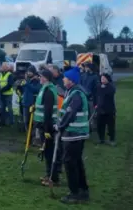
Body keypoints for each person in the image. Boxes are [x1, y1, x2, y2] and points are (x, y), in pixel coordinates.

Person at [55, 67, 90, 204]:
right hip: (75, 134)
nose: (63, 79)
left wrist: (60, 126)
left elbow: (70, 113)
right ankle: (83, 189)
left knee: (70, 163)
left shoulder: (76, 94)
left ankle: (74, 193)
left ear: (71, 80)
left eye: (65, 77)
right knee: (77, 162)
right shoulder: (72, 92)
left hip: (74, 134)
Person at [33, 69, 60, 186]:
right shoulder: (44, 88)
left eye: (41, 76)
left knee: (49, 152)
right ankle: (48, 174)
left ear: (46, 78)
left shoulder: (48, 90)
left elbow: (48, 111)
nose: (39, 78)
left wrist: (47, 129)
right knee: (47, 151)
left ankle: (52, 177)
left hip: (47, 126)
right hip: (43, 125)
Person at [96, 73, 116, 146]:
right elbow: (97, 96)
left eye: (104, 78)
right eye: (101, 78)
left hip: (109, 109)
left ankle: (112, 139)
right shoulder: (98, 86)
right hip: (100, 109)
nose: (102, 79)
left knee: (111, 125)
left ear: (108, 79)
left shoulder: (111, 87)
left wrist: (103, 88)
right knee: (100, 125)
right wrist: (96, 104)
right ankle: (101, 139)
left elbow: (110, 93)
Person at [22, 66, 41, 132]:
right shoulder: (26, 80)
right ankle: (28, 137)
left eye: (30, 72)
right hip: (25, 103)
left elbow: (36, 90)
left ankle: (32, 137)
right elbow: (24, 90)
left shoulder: (37, 81)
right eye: (28, 71)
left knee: (32, 122)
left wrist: (27, 84)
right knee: (26, 121)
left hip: (32, 104)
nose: (28, 73)